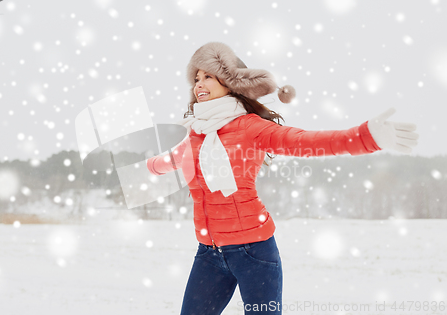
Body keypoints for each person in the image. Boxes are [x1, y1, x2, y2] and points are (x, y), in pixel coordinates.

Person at [146, 42, 419, 315]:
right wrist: (144, 167)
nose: (199, 84)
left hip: (253, 252)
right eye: (196, 78)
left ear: (229, 83)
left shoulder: (250, 127)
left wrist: (364, 137)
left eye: (208, 76)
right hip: (209, 253)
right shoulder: (196, 133)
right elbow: (168, 160)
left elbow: (305, 141)